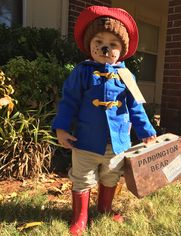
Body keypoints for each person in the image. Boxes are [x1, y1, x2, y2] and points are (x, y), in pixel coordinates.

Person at [52, 5, 157, 236]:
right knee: (82, 178)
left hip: (117, 142)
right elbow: (69, 101)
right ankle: (80, 217)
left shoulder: (126, 76)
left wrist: (146, 130)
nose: (105, 47)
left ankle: (105, 207)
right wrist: (61, 128)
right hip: (85, 141)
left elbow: (135, 106)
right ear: (89, 46)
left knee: (111, 175)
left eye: (113, 43)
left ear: (122, 51)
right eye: (98, 41)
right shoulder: (82, 72)